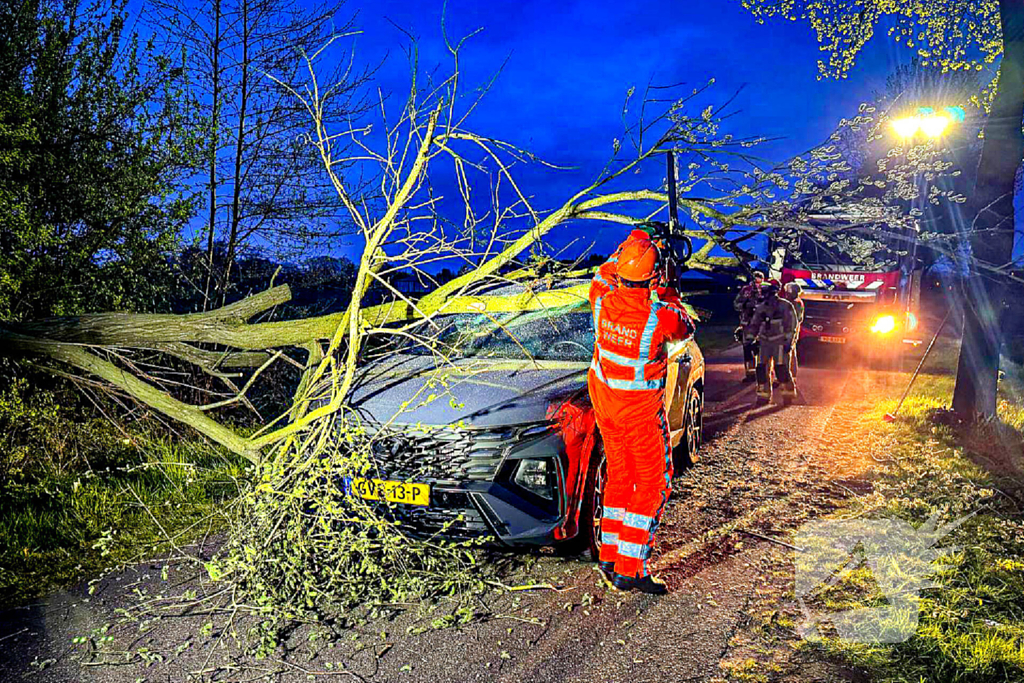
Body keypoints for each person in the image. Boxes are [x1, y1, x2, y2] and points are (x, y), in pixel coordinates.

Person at [588, 229, 695, 595]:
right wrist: (669, 289)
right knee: (652, 483)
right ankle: (630, 568)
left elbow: (605, 270)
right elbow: (686, 329)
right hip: (639, 412)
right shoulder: (659, 313)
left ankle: (609, 555)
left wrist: (638, 241)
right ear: (652, 277)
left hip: (607, 406)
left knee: (619, 476)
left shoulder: (601, 297)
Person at [752, 280, 798, 404]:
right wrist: (752, 340)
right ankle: (763, 395)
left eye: (766, 290)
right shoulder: (761, 308)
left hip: (779, 342)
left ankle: (788, 394)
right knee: (761, 368)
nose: (763, 293)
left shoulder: (785, 306)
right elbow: (754, 324)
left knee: (781, 368)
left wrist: (789, 342)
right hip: (764, 342)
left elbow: (792, 325)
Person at [733, 271, 765, 381]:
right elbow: (736, 304)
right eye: (755, 281)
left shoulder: (766, 290)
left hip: (762, 325)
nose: (757, 284)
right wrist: (745, 305)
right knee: (747, 348)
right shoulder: (746, 290)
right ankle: (750, 373)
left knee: (762, 349)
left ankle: (763, 373)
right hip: (748, 324)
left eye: (759, 281)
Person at [782, 282, 804, 378]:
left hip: (791, 330)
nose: (786, 293)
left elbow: (795, 318)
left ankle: (786, 376)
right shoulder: (796, 301)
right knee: (791, 352)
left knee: (786, 353)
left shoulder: (796, 303)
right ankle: (791, 375)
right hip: (791, 330)